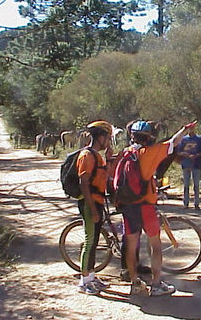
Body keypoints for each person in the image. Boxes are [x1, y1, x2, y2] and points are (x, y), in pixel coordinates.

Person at [118, 119, 196, 296]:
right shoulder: (151, 152)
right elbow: (172, 142)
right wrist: (185, 128)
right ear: (149, 137)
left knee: (131, 246)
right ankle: (156, 284)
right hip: (146, 206)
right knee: (156, 245)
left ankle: (135, 283)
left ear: (132, 136)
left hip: (128, 206)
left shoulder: (126, 153)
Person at [76, 120, 114, 295]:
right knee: (90, 241)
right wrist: (91, 208)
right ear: (101, 137)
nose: (109, 141)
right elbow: (84, 184)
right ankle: (84, 281)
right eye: (108, 137)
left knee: (94, 240)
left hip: (97, 201)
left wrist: (109, 159)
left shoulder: (97, 155)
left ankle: (91, 275)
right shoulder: (87, 156)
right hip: (89, 203)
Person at [177, 123, 201, 209]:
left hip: (196, 165)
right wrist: (185, 154)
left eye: (192, 128)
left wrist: (196, 155)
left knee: (196, 184)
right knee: (186, 184)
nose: (190, 130)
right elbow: (178, 152)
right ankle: (186, 202)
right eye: (189, 128)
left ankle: (196, 203)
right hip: (186, 165)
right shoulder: (183, 140)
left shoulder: (199, 139)